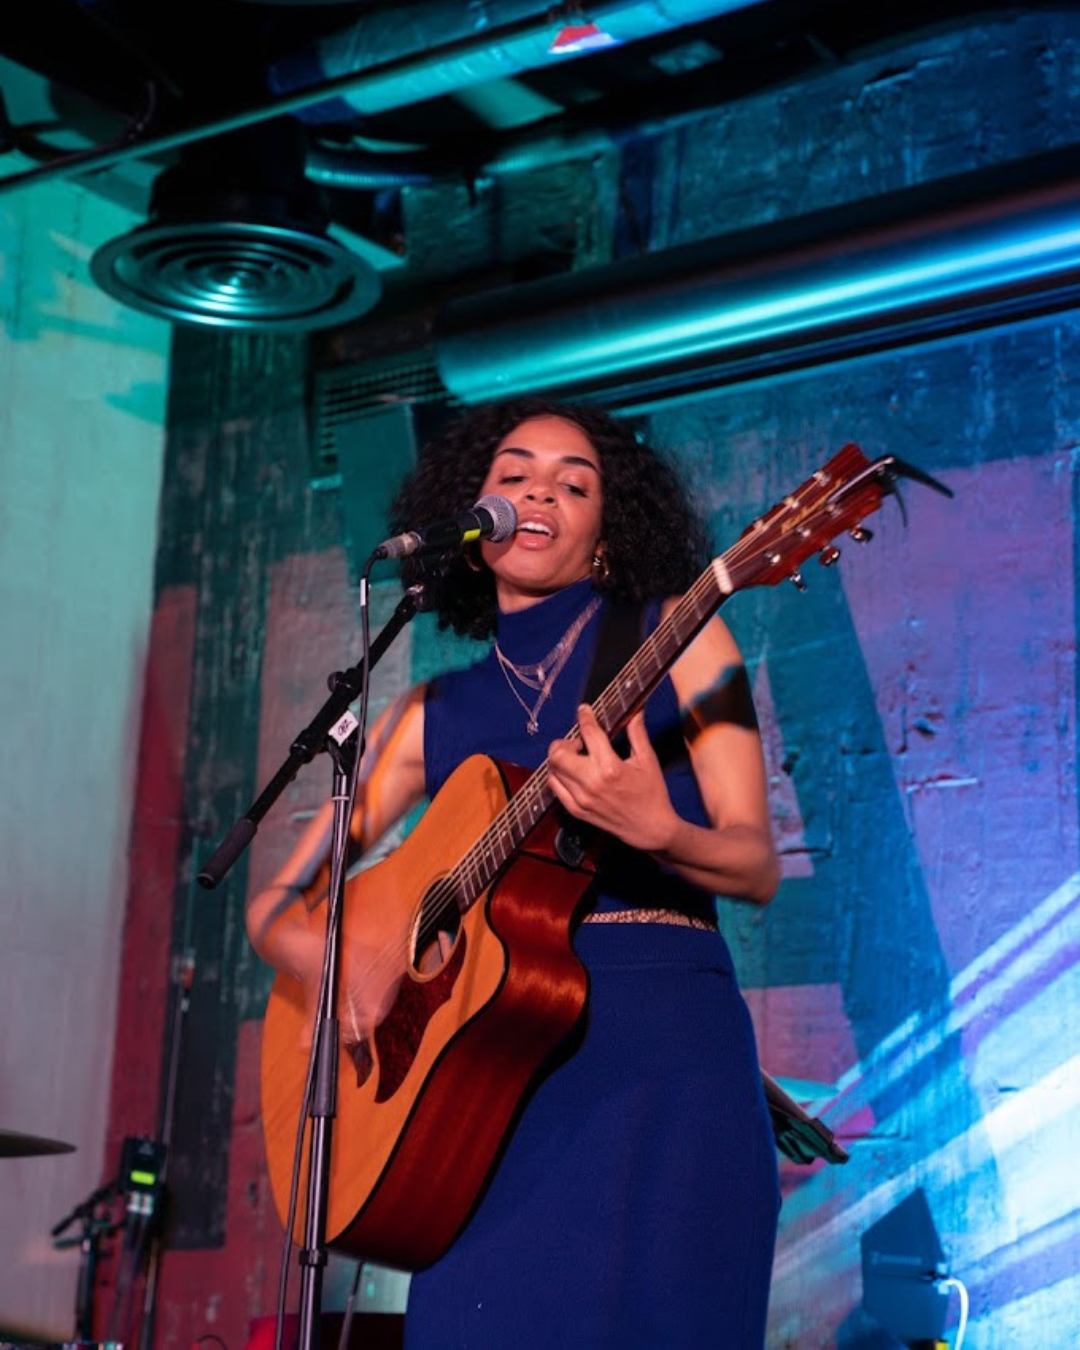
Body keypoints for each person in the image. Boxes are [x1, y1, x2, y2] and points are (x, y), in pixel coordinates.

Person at [247, 397, 782, 1348]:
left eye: (576, 483)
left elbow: (753, 862)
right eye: (514, 474)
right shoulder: (429, 711)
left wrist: (657, 829)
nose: (540, 488)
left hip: (658, 1055)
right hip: (475, 1098)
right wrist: (346, 968)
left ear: (607, 538)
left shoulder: (685, 635)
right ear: (471, 516)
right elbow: (276, 909)